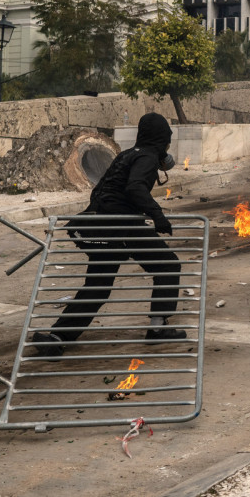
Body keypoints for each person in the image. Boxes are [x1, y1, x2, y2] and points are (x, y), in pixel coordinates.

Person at [30, 112, 184, 356]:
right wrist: (158, 216)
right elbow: (135, 188)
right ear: (161, 139)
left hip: (100, 222)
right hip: (121, 225)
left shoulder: (127, 154)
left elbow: (103, 189)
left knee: (98, 285)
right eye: (167, 139)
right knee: (167, 266)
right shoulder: (148, 157)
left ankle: (58, 336)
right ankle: (157, 328)